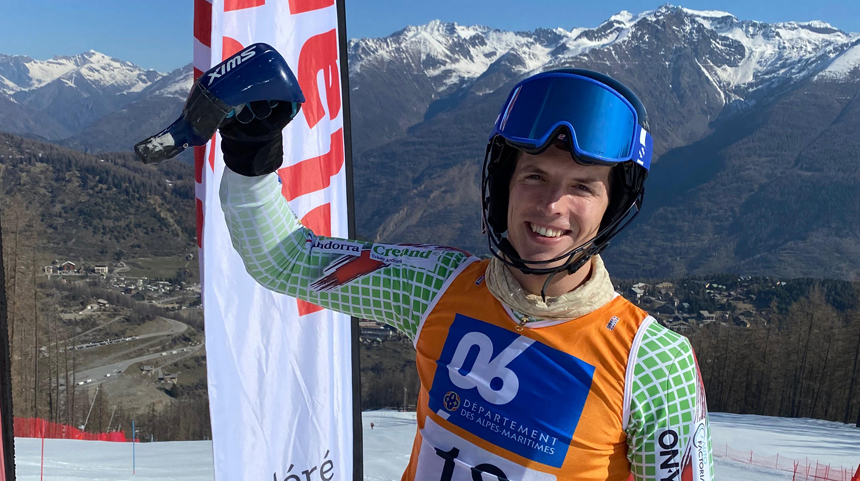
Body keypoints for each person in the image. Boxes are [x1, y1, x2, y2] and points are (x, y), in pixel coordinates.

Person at [216, 65, 713, 480]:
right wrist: (250, 158)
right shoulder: (438, 285)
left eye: (582, 187)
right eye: (534, 176)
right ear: (505, 185)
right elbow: (288, 261)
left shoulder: (651, 365)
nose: (552, 205)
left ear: (611, 207)